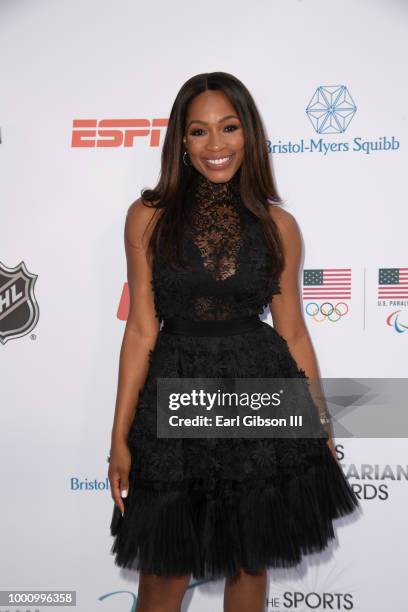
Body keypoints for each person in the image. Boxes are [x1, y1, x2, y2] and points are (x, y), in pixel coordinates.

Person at [108, 72, 360, 612]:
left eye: (229, 127)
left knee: (251, 560)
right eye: (199, 132)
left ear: (249, 133)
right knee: (164, 570)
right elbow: (140, 330)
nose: (216, 145)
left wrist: (319, 421)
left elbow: (292, 329)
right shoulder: (148, 218)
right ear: (181, 140)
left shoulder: (278, 225)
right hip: (176, 394)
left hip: (260, 392)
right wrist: (119, 436)